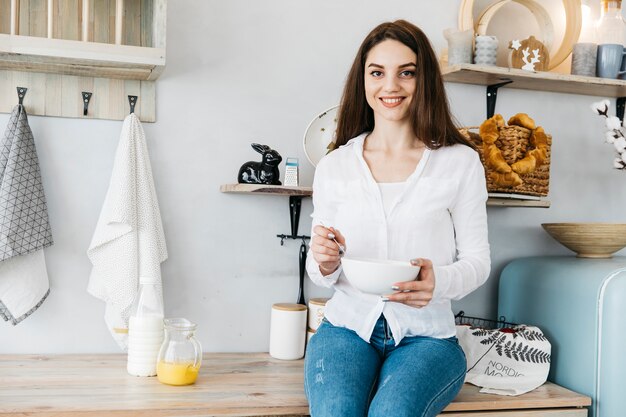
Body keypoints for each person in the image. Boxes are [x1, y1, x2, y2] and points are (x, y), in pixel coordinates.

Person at [303, 20, 491, 417]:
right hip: (345, 330)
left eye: (406, 72)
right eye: (377, 73)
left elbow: (477, 262)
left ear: (424, 81)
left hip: (428, 340)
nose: (391, 86)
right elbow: (319, 271)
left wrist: (438, 281)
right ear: (363, 81)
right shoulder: (335, 166)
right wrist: (324, 260)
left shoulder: (460, 163)